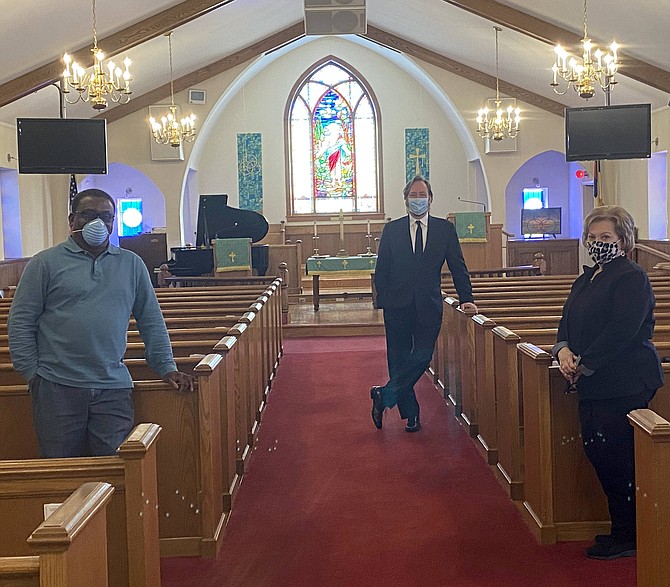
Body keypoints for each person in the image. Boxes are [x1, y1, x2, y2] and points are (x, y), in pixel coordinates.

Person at [8, 188, 194, 458]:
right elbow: (21, 321)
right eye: (89, 215)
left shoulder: (131, 264)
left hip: (112, 387)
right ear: (72, 221)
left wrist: (167, 367)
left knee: (114, 471)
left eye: (106, 216)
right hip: (57, 385)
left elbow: (151, 320)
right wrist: (33, 374)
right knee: (60, 468)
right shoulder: (44, 264)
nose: (98, 222)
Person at [552, 205, 663, 560]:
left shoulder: (631, 277)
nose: (598, 243)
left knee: (618, 458)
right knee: (600, 453)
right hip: (594, 382)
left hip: (625, 380)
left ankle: (630, 535)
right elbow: (566, 323)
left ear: (623, 240)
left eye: (606, 237)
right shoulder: (587, 278)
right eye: (593, 237)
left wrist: (583, 364)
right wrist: (563, 351)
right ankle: (621, 530)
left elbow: (621, 331)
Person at [371, 175, 477, 432]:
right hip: (397, 305)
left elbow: (458, 267)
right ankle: (412, 415)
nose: (418, 200)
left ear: (430, 199)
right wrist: (382, 301)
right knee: (398, 359)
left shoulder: (444, 230)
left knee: (422, 357)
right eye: (414, 195)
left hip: (429, 304)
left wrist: (467, 299)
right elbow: (382, 268)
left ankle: (383, 395)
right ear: (405, 200)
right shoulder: (392, 229)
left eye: (422, 195)